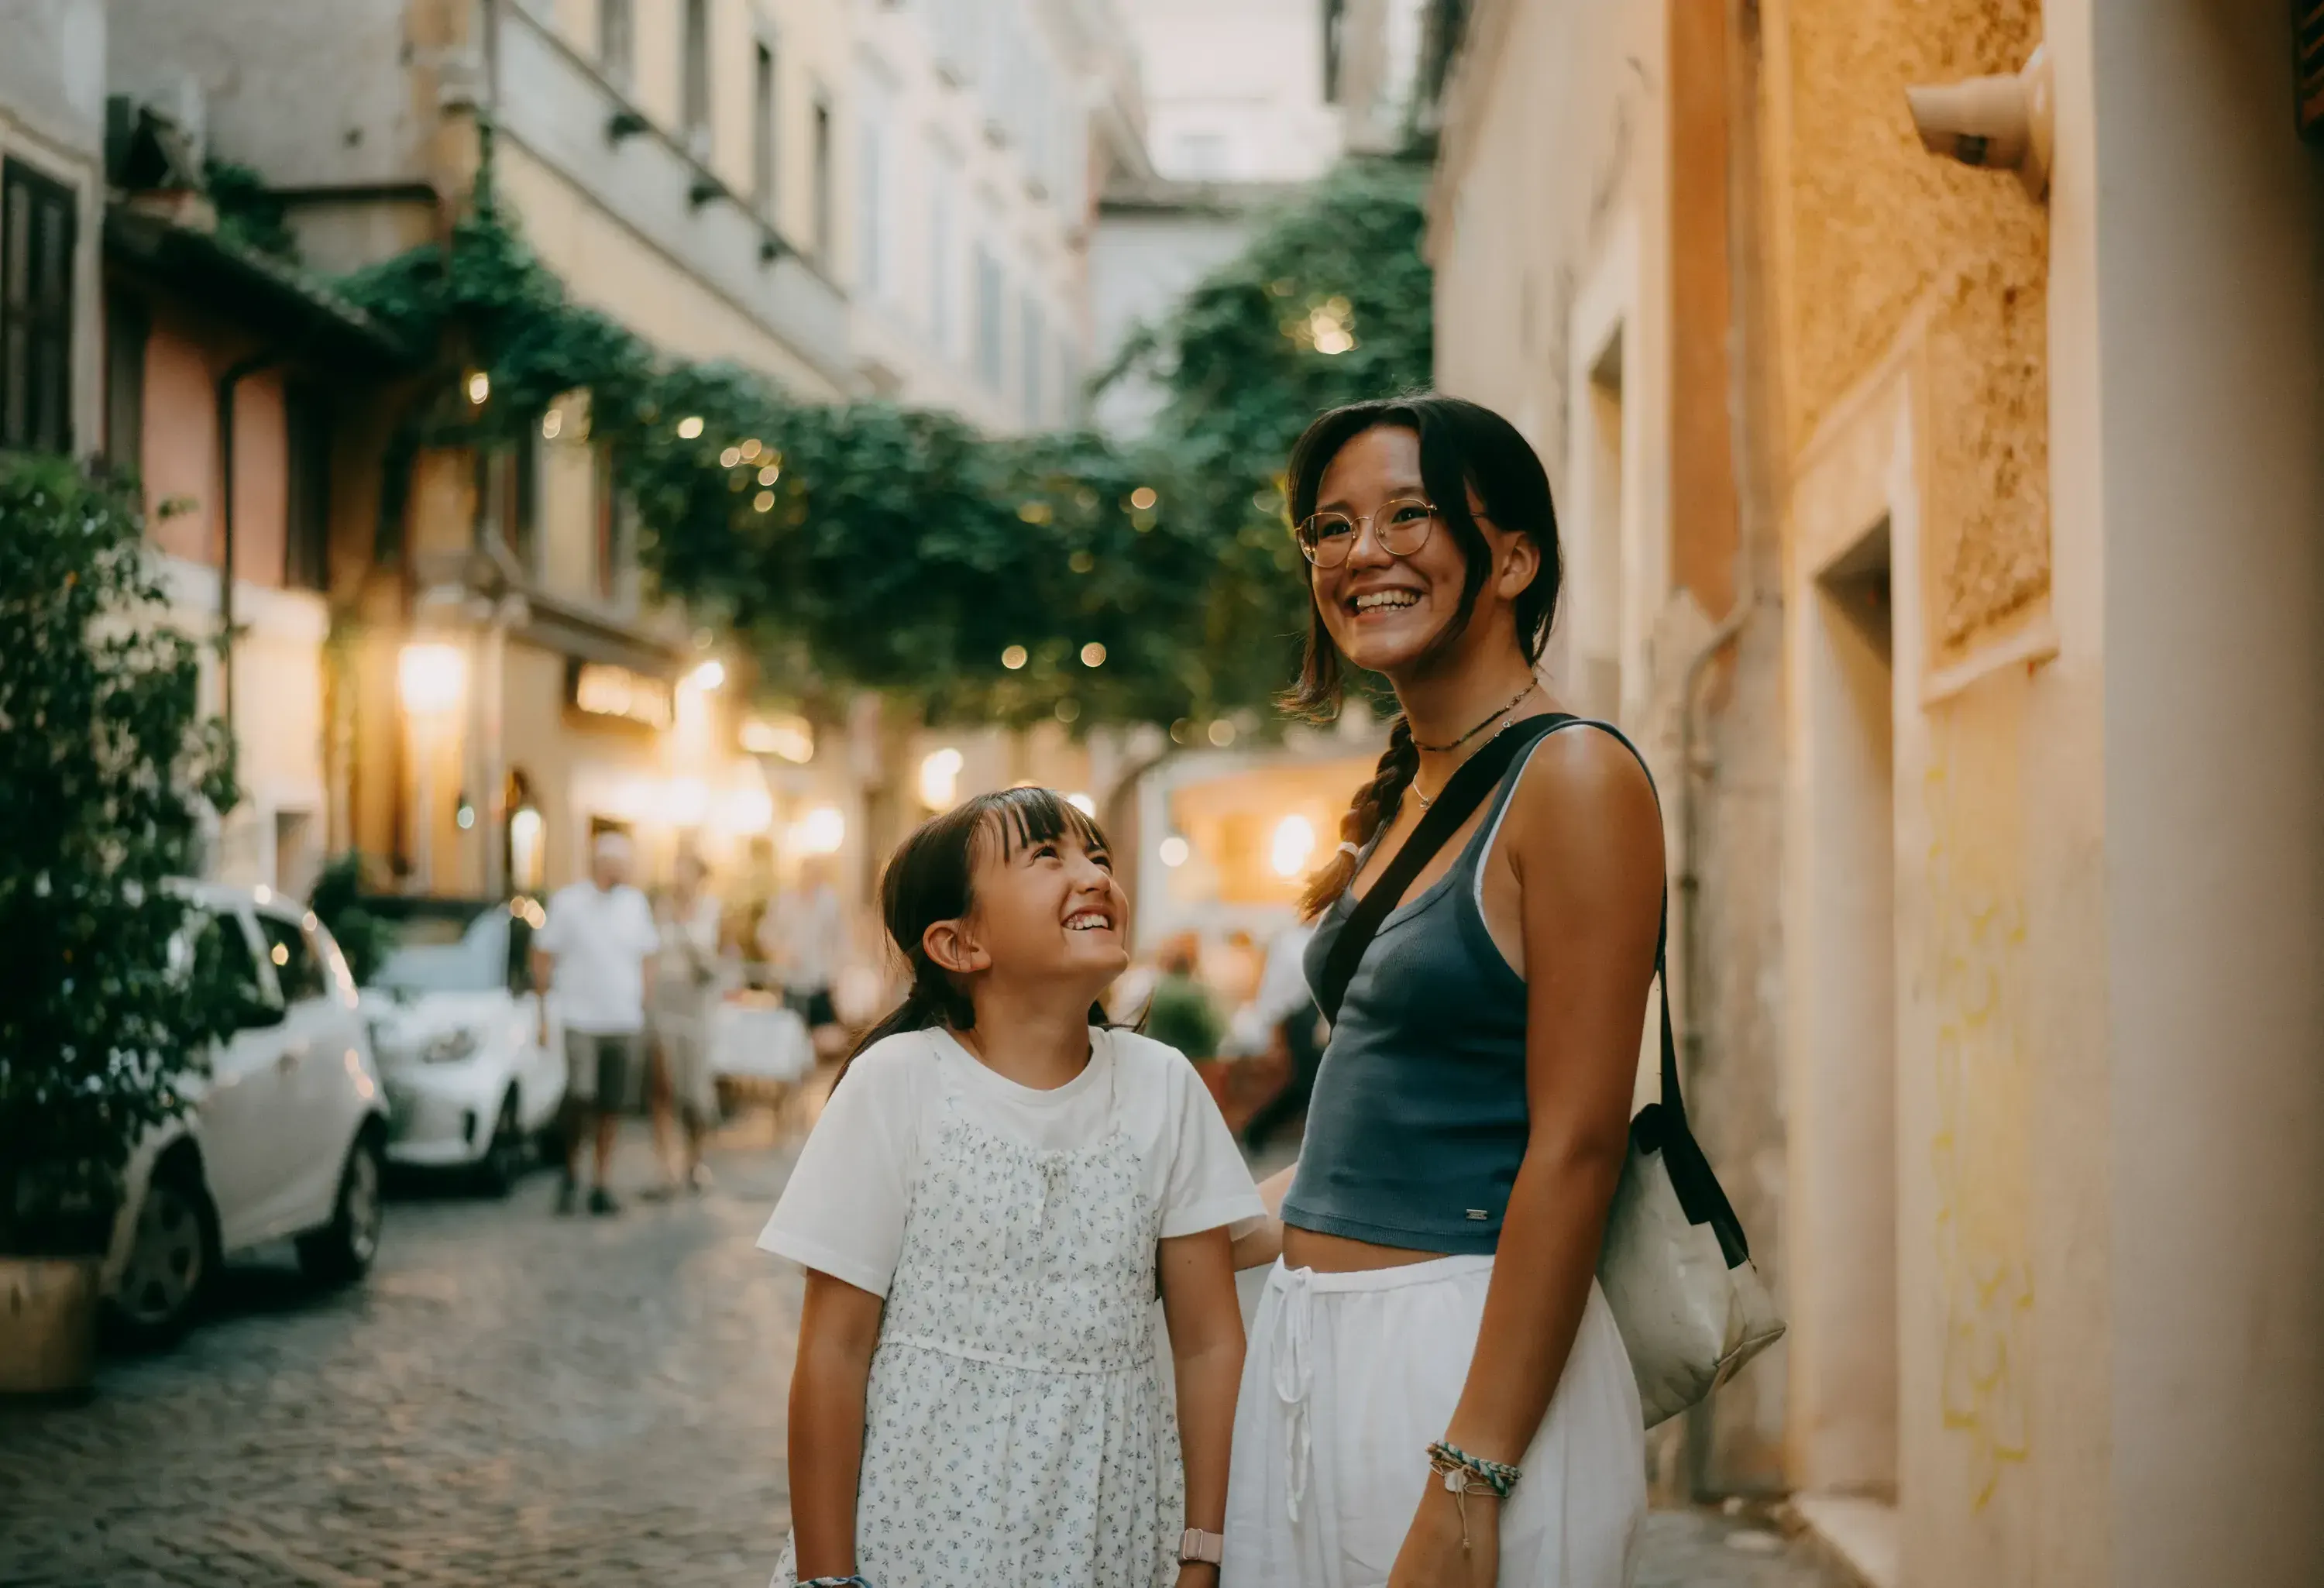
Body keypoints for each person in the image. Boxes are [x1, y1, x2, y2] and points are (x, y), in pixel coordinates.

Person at [1223, 397, 1663, 1587]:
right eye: (1332, 525)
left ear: (1512, 557)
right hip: (1318, 1352)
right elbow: (1365, 1130)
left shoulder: (1573, 777)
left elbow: (1576, 1147)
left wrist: (1471, 1469)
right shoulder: (1409, 796)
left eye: (1409, 514)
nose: (1361, 551)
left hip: (1459, 1366)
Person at [758, 786, 1263, 1588]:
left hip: (1110, 1532)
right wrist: (830, 1578)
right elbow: (833, 1349)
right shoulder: (898, 1084)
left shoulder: (1162, 1086)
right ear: (960, 944)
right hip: (916, 1535)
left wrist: (1202, 1550)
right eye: (1047, 856)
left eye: (1098, 856)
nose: (1093, 874)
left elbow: (1207, 1344)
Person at [531, 831, 660, 1217]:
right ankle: (572, 1170)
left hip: (622, 1019)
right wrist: (542, 1010)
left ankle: (601, 1181)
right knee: (581, 1098)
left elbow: (648, 954)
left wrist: (644, 999)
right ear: (599, 865)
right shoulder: (569, 902)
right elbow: (542, 954)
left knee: (612, 1104)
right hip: (580, 1018)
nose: (623, 870)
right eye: (617, 863)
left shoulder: (635, 904)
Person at [645, 851, 724, 1198]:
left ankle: (695, 1159)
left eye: (686, 871)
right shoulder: (658, 908)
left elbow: (711, 960)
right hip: (664, 1004)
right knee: (662, 1087)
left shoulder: (711, 909)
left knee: (694, 1093)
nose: (680, 877)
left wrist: (684, 928)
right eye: (676, 869)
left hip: (697, 1008)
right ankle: (666, 1168)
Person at [1234, 919, 1322, 1155]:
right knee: (1306, 1083)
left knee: (1310, 1083)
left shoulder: (1320, 934)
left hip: (1314, 1014)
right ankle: (1256, 1130)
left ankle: (1258, 1131)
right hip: (1297, 1017)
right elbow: (1277, 990)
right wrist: (1275, 1034)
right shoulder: (1289, 941)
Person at [758, 856, 847, 1057]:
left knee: (828, 1040)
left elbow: (839, 942)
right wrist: (779, 952)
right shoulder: (783, 900)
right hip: (790, 981)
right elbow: (765, 934)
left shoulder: (829, 903)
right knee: (789, 1038)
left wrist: (836, 974)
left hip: (819, 981)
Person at [1143, 933, 1225, 1062]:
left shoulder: (1158, 990)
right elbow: (1214, 1031)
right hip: (1193, 1062)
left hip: (1159, 1059)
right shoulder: (1196, 994)